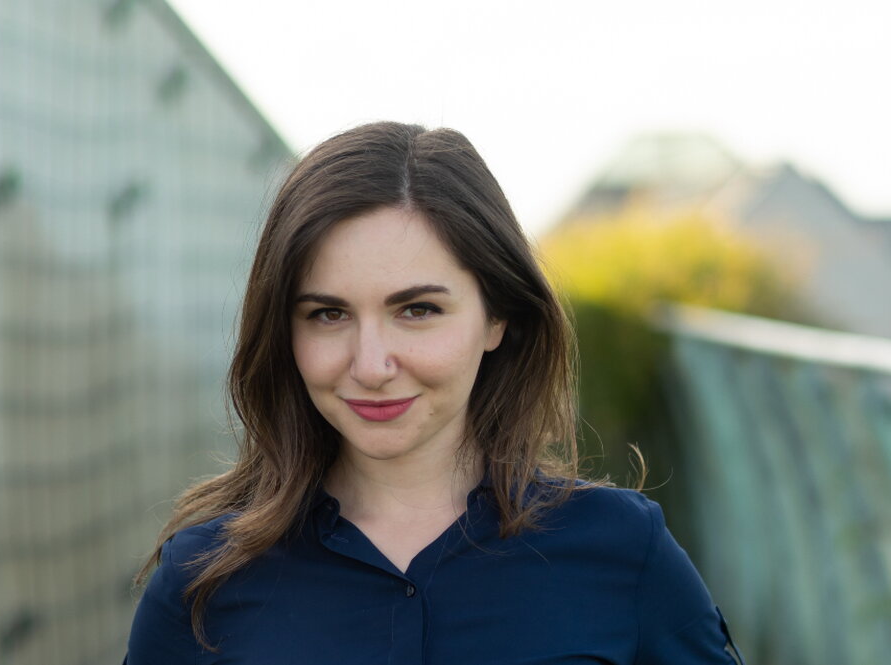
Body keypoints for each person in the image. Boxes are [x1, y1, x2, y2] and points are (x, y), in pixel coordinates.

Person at [124, 122, 744, 664]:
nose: (370, 365)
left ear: (498, 316)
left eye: (417, 310)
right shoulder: (202, 580)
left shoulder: (623, 553)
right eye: (327, 315)